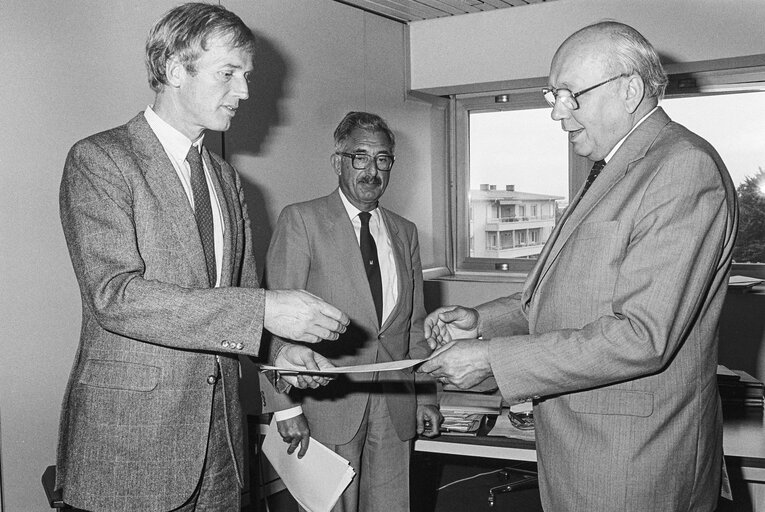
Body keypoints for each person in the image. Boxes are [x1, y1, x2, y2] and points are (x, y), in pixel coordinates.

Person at [420, 21, 738, 512]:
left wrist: (492, 359)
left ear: (631, 89)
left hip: (635, 465)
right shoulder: (617, 168)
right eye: (554, 94)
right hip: (588, 453)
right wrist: (484, 321)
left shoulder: (681, 167)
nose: (556, 112)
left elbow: (641, 336)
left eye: (571, 95)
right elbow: (568, 294)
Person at [55, 4, 349, 511]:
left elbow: (243, 293)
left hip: (222, 447)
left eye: (246, 76)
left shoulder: (227, 178)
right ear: (174, 69)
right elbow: (115, 296)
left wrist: (278, 352)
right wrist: (263, 313)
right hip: (131, 445)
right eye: (228, 74)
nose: (245, 92)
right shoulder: (101, 159)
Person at [264, 111, 442, 512]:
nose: (372, 170)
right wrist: (285, 406)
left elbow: (413, 323)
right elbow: (275, 324)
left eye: (383, 159)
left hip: (394, 403)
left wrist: (426, 395)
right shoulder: (301, 221)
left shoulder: (405, 231)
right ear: (338, 162)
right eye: (360, 157)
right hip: (328, 402)